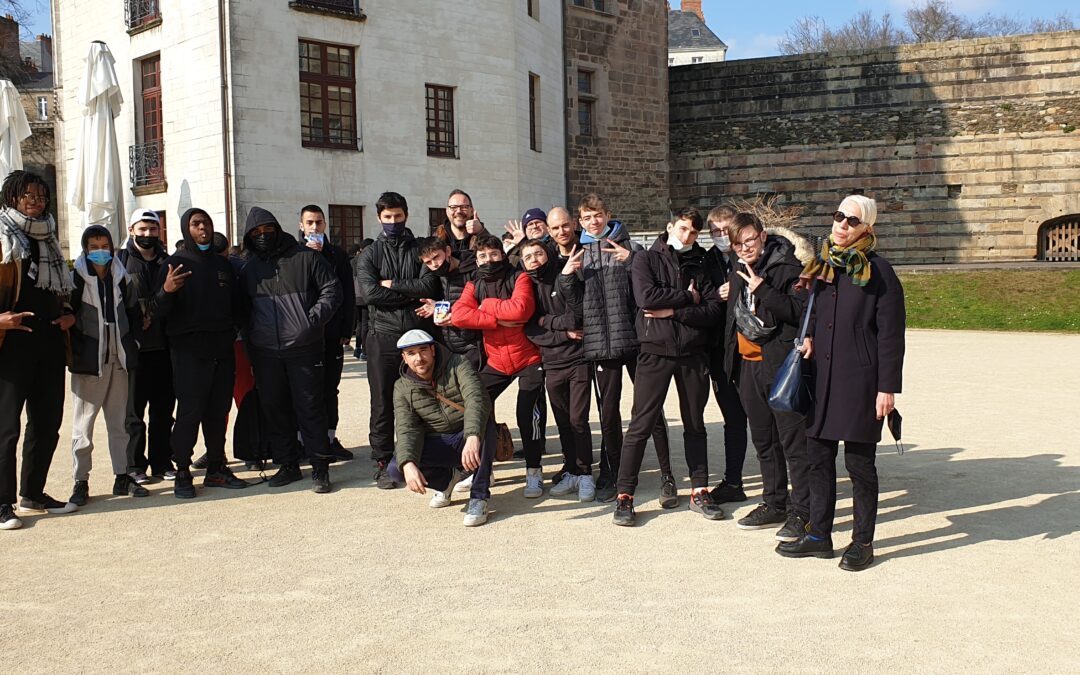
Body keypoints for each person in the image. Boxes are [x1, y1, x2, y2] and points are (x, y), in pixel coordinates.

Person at [777, 195, 906, 571]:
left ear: (867, 228)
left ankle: (862, 541)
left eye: (852, 221)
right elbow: (814, 312)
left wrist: (888, 388)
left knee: (860, 466)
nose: (842, 225)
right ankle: (819, 535)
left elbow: (891, 335)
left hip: (861, 381)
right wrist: (812, 336)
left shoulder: (879, 272)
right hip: (823, 379)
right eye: (839, 217)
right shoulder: (825, 265)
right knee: (818, 459)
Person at [612, 209, 726, 525]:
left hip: (692, 352)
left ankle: (699, 490)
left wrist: (674, 311)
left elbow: (713, 309)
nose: (687, 236)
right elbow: (647, 298)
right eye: (682, 229)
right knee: (640, 424)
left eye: (692, 232)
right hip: (654, 350)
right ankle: (625, 495)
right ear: (670, 227)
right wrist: (688, 297)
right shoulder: (645, 259)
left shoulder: (701, 262)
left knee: (695, 422)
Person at [576, 193, 672, 503]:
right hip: (603, 344)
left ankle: (667, 473)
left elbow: (647, 284)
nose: (594, 221)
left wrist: (630, 262)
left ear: (607, 215)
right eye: (588, 217)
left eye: (598, 215)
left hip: (635, 338)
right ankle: (613, 471)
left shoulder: (629, 247)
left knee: (650, 410)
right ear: (582, 222)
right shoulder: (578, 252)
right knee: (608, 412)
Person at [722, 212, 811, 543]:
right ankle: (775, 501)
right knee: (764, 441)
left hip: (781, 364)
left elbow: (801, 313)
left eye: (749, 240)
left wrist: (764, 290)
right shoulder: (736, 270)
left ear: (761, 235)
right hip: (748, 366)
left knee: (793, 442)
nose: (744, 247)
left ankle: (803, 511)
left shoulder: (788, 267)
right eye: (737, 243)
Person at [240, 207, 341, 493]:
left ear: (277, 228)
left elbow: (331, 290)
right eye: (256, 234)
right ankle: (287, 463)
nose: (262, 237)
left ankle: (321, 467)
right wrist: (252, 344)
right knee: (275, 409)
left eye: (266, 230)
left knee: (310, 407)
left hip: (304, 347)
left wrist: (312, 321)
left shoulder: (305, 257)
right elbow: (243, 311)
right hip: (266, 351)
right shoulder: (248, 270)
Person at [0, 170, 77, 528]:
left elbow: (59, 290)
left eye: (41, 197)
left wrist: (68, 314)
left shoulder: (48, 239)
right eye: (28, 196)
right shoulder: (3, 236)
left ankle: (33, 493)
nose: (36, 203)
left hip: (47, 342)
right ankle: (2, 504)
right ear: (12, 198)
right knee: (6, 428)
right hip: (10, 345)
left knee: (47, 424)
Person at [154, 208, 249, 498]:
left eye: (206, 223)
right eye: (196, 224)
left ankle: (216, 468)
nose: (203, 229)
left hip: (221, 347)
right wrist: (167, 291)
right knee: (189, 411)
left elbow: (237, 305)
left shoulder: (224, 266)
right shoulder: (174, 264)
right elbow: (157, 311)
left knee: (218, 410)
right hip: (188, 350)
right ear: (187, 229)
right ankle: (182, 470)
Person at [450, 233, 547, 498]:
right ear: (476, 259)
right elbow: (459, 316)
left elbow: (521, 311)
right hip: (496, 360)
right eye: (482, 256)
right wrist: (496, 320)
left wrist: (486, 307)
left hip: (528, 357)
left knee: (528, 414)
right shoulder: (473, 284)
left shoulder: (519, 277)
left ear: (502, 254)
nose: (488, 260)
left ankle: (534, 471)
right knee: (476, 404)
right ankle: (483, 469)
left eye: (493, 254)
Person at [357, 192, 439, 488]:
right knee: (382, 401)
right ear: (379, 218)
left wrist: (393, 285)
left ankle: (426, 455)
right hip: (383, 336)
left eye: (398, 216)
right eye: (387, 217)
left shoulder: (419, 248)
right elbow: (370, 294)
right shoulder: (369, 254)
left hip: (417, 334)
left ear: (406, 214)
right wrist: (409, 293)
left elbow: (429, 283)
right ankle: (382, 459)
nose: (393, 222)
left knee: (424, 397)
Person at [67, 225, 147, 505]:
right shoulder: (75, 278)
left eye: (104, 246)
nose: (100, 252)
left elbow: (133, 313)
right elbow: (68, 314)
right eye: (94, 246)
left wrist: (133, 343)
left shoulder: (121, 276)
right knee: (83, 427)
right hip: (90, 359)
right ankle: (81, 481)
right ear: (85, 249)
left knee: (119, 424)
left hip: (119, 357)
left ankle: (122, 476)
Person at [387, 329, 496, 526]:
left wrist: (472, 435)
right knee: (397, 468)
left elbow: (476, 398)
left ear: (433, 350)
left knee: (483, 424)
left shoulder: (458, 363)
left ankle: (479, 497)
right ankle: (446, 481)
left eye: (423, 351)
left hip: (466, 435)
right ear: (404, 357)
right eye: (411, 353)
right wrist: (408, 464)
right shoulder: (401, 387)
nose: (419, 358)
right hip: (439, 440)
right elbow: (407, 428)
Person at [521, 240, 595, 502]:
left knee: (578, 420)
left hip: (578, 360)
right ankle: (572, 471)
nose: (534, 259)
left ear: (548, 254)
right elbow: (532, 330)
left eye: (538, 253)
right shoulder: (526, 286)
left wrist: (547, 322)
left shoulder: (564, 275)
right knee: (563, 421)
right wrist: (561, 332)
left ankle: (586, 474)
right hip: (551, 363)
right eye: (528, 256)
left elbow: (577, 317)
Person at [119, 208, 176, 483]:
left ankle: (162, 461)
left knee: (164, 410)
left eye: (153, 229)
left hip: (165, 347)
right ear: (131, 230)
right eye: (142, 229)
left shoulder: (168, 261)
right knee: (134, 413)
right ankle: (134, 465)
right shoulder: (120, 261)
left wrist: (156, 306)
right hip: (135, 349)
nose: (148, 234)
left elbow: (174, 303)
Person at [298, 204, 356, 462]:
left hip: (332, 333)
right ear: (301, 226)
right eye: (309, 222)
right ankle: (303, 441)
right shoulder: (294, 255)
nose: (314, 227)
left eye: (318, 222)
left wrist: (347, 329)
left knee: (330, 389)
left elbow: (347, 293)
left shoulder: (338, 255)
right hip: (304, 334)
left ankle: (330, 438)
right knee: (306, 390)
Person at [703, 205, 749, 504]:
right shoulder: (707, 260)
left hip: (748, 346)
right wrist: (714, 296)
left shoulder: (748, 255)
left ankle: (781, 484)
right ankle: (733, 481)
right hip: (720, 349)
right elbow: (700, 297)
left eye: (725, 229)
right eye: (715, 231)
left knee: (764, 418)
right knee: (732, 416)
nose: (721, 235)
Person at [415, 236, 482, 371]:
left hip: (473, 345)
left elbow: (482, 306)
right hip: (448, 345)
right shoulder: (437, 276)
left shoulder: (474, 271)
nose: (434, 264)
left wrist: (441, 308)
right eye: (428, 262)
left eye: (436, 257)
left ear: (448, 251)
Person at [350, 239, 372, 360]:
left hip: (355, 294)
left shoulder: (353, 260)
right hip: (364, 294)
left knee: (359, 323)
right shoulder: (367, 258)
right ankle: (364, 350)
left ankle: (358, 348)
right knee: (365, 323)